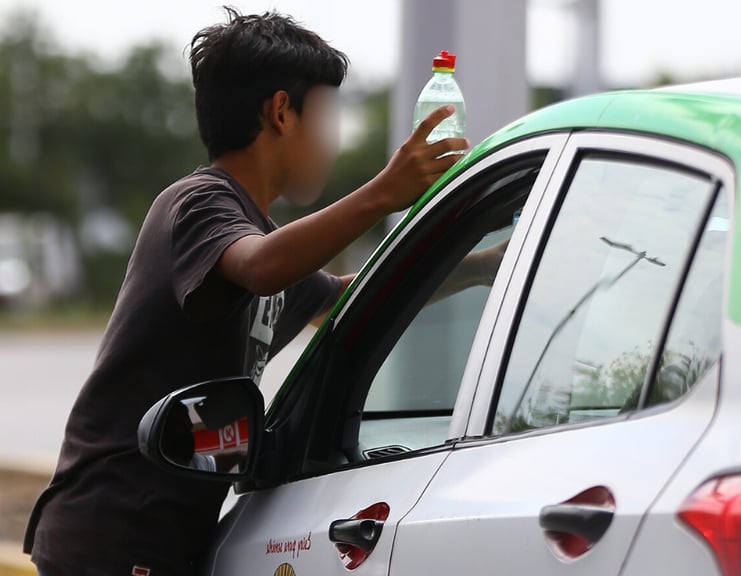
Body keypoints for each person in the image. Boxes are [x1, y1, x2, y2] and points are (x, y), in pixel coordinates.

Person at [23, 9, 487, 575]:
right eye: (327, 117)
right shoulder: (198, 203)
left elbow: (346, 296)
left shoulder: (255, 233)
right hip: (114, 533)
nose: (332, 142)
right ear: (282, 112)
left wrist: (484, 263)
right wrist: (382, 192)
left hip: (160, 535)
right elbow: (262, 267)